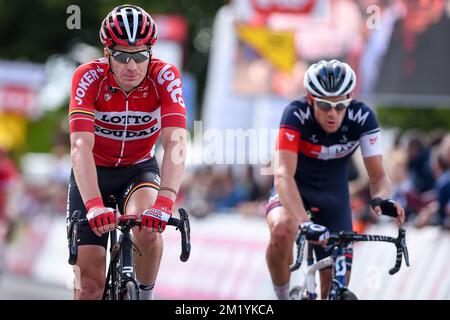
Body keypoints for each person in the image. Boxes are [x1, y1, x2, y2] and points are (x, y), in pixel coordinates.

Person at [67, 5, 187, 300]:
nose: (131, 65)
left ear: (151, 53)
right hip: (93, 173)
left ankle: (145, 296)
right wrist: (94, 204)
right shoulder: (87, 76)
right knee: (89, 287)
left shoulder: (165, 76)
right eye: (121, 55)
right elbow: (80, 146)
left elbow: (176, 142)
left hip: (139, 169)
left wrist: (165, 201)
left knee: (147, 227)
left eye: (139, 55)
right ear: (107, 54)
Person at [265, 59, 405, 300]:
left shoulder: (363, 117)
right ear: (310, 99)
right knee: (281, 230)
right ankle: (282, 296)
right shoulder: (295, 114)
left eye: (340, 106)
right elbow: (283, 174)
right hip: (294, 192)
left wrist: (381, 199)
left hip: (334, 199)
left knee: (333, 286)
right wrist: (303, 221)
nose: (333, 113)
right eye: (324, 105)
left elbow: (379, 176)